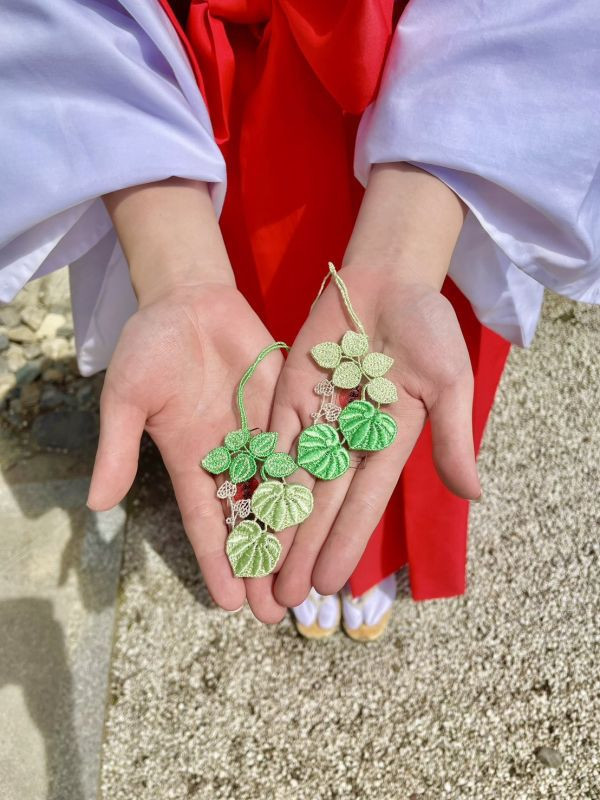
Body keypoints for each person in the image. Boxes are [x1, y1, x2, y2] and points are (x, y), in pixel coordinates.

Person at [1, 1, 598, 640]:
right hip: (201, 84)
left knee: (403, 361)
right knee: (261, 329)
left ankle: (367, 559)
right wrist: (178, 272)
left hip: (430, 69)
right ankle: (305, 549)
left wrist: (410, 241)